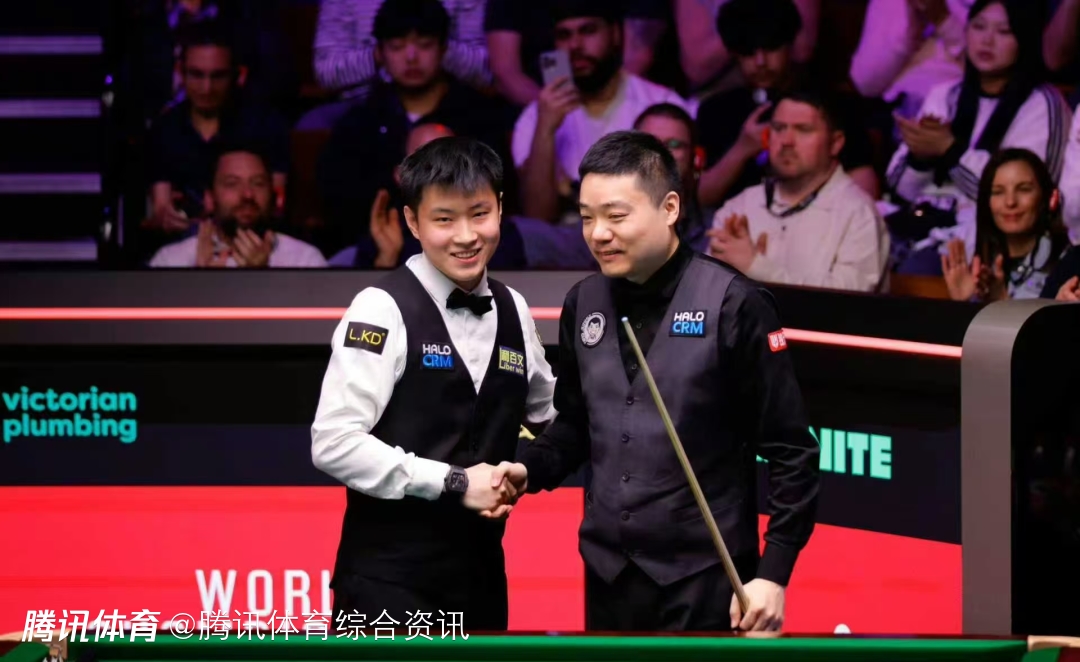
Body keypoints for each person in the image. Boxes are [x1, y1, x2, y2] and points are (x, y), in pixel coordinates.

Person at [488, 130, 820, 631]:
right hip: (608, 575)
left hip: (707, 580)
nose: (598, 234)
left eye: (616, 216)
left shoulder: (735, 304)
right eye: (586, 217)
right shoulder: (583, 303)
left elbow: (792, 452)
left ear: (669, 208)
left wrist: (772, 575)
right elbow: (576, 426)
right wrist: (527, 470)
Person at [311, 136, 557, 631]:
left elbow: (555, 418)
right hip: (388, 585)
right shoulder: (380, 308)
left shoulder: (514, 308)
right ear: (412, 221)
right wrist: (455, 482)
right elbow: (333, 443)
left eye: (479, 214)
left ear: (500, 208)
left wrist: (528, 469)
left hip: (482, 581)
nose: (466, 236)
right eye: (444, 219)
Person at [884, 0, 1073, 272]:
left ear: (1025, 38)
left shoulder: (1043, 104)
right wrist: (919, 157)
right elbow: (902, 188)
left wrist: (950, 150)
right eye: (979, 26)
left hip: (992, 239)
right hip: (926, 224)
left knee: (919, 268)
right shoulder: (945, 94)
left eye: (1004, 31)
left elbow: (1025, 196)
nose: (987, 40)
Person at [511, 0, 691, 224]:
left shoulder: (661, 103)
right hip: (564, 238)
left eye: (588, 31)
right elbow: (537, 217)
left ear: (615, 34)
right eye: (564, 35)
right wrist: (546, 129)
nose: (575, 45)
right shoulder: (536, 117)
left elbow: (680, 201)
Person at [695, 0, 878, 207]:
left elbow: (864, 185)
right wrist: (742, 149)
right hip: (738, 223)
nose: (761, 62)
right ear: (734, 54)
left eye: (771, 47)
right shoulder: (716, 110)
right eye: (748, 52)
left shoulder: (834, 103)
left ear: (790, 45)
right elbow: (701, 197)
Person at [706, 90, 889, 293]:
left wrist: (756, 267)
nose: (786, 141)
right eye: (779, 128)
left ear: (835, 143)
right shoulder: (740, 207)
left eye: (803, 130)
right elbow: (707, 295)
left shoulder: (858, 213)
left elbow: (849, 303)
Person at [148, 144, 327, 268]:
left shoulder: (305, 261)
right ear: (210, 198)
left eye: (258, 183)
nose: (247, 194)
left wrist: (263, 278)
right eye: (232, 184)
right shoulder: (170, 261)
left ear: (272, 196)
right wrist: (202, 284)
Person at [941, 148, 1071, 301]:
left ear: (1048, 197)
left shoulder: (1069, 262)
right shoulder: (976, 265)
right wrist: (964, 302)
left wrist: (1001, 302)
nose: (1010, 202)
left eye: (1024, 189)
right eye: (998, 192)